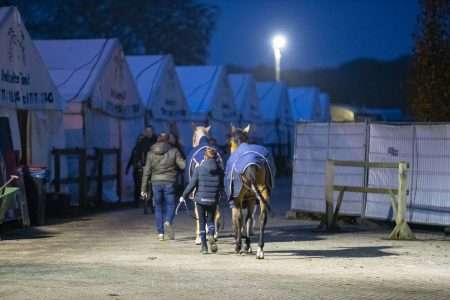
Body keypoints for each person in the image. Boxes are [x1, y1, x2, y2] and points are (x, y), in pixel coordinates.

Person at [141, 133, 185, 241]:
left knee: (158, 207)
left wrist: (143, 189)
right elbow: (183, 165)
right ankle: (168, 221)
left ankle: (160, 233)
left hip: (155, 182)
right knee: (171, 204)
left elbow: (146, 172)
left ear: (157, 140)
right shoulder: (174, 151)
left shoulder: (150, 153)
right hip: (169, 182)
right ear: (168, 140)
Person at [181, 147, 223, 254]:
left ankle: (204, 247)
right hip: (213, 200)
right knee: (210, 221)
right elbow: (221, 186)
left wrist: (183, 196)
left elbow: (192, 184)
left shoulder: (199, 169)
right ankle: (211, 235)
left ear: (205, 157)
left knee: (202, 222)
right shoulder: (219, 170)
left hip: (200, 200)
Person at [126, 134, 146, 208]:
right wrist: (127, 168)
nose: (140, 140)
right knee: (137, 186)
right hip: (136, 169)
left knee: (142, 186)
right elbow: (131, 158)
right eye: (139, 139)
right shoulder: (135, 148)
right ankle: (136, 202)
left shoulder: (145, 148)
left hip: (142, 170)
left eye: (142, 139)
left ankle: (145, 202)